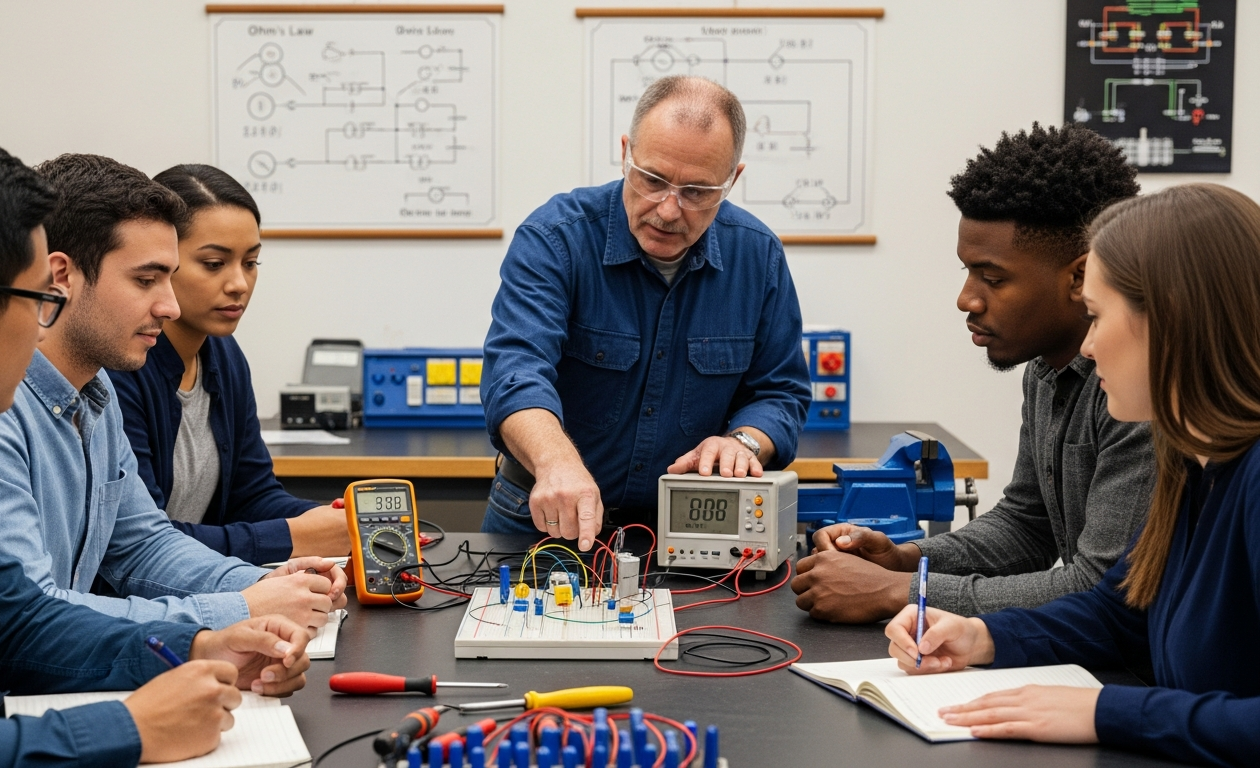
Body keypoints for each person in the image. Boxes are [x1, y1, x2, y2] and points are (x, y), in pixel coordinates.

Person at [0, 127, 314, 766]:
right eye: (39, 298)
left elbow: (13, 624)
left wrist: (199, 647)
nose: (47, 322)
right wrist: (131, 728)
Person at [0, 153, 345, 714]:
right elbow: (28, 616)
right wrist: (237, 609)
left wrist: (272, 585)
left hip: (55, 697)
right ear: (61, 277)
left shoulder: (95, 391)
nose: (170, 305)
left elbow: (141, 545)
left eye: (170, 278)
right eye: (147, 279)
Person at [886, 183, 1260, 766]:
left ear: (1171, 322)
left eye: (1095, 316)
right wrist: (982, 638)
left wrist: (1103, 712)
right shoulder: (1194, 463)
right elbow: (1121, 611)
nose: (1086, 346)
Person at [792, 124, 1152, 623]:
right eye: (967, 271)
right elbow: (1029, 525)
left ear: (1078, 276)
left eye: (993, 277)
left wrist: (905, 591)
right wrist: (907, 559)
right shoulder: (1047, 370)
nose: (967, 299)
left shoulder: (1141, 395)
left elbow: (1103, 589)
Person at [479, 75, 812, 550]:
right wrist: (557, 461)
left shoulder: (757, 257)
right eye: (653, 180)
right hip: (543, 516)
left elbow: (780, 391)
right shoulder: (556, 239)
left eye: (697, 191)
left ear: (732, 180)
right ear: (625, 153)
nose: (669, 209)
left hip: (687, 531)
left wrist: (744, 442)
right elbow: (516, 371)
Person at [108, 164, 349, 565]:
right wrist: (293, 535)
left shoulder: (223, 354)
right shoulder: (121, 368)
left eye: (250, 262)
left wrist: (330, 520)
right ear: (164, 260)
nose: (239, 283)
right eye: (215, 263)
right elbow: (141, 543)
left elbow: (251, 495)